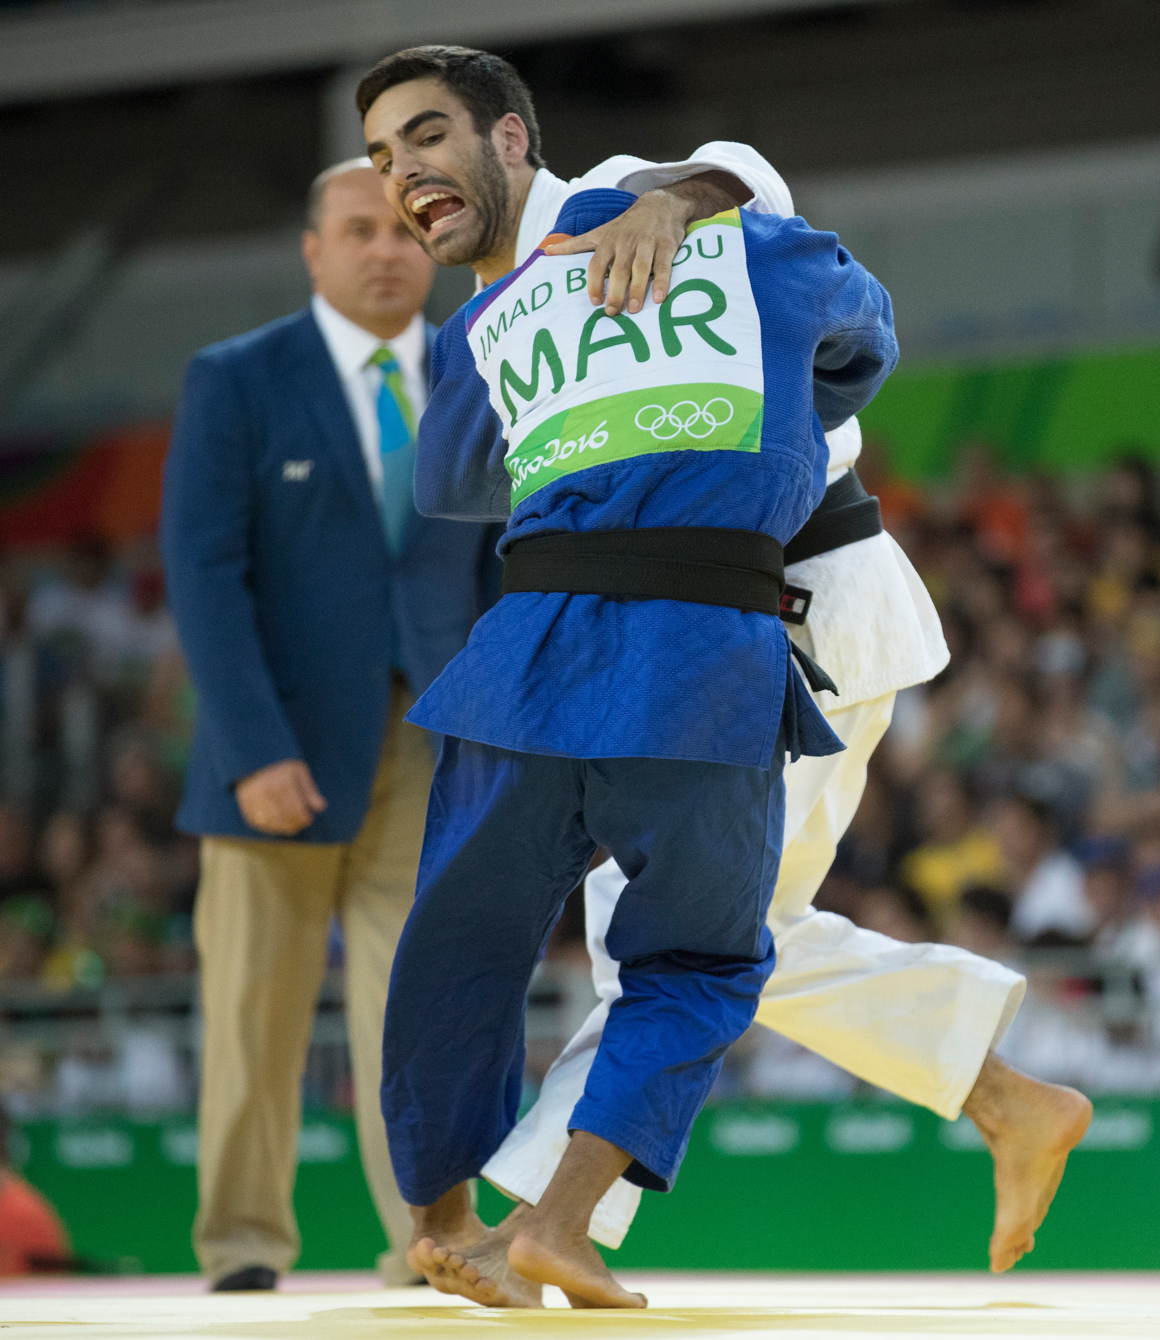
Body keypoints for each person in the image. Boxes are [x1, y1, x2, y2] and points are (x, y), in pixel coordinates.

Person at [358, 46, 1091, 1305]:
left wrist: (665, 202)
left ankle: (543, 1220)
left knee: (681, 938)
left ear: (513, 142)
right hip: (643, 613)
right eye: (380, 157)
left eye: (426, 135)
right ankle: (1006, 1094)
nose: (403, 172)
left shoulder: (631, 195)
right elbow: (454, 486)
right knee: (732, 932)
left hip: (792, 592)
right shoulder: (496, 311)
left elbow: (751, 188)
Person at [160, 159, 502, 1291]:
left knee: (417, 1006)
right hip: (280, 749)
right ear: (312, 249)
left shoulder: (478, 363)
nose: (385, 249)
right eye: (357, 229)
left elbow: (500, 559)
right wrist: (252, 745)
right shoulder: (238, 377)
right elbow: (203, 572)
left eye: (406, 228)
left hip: (435, 739)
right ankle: (244, 1244)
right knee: (254, 1005)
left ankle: (426, 1240)